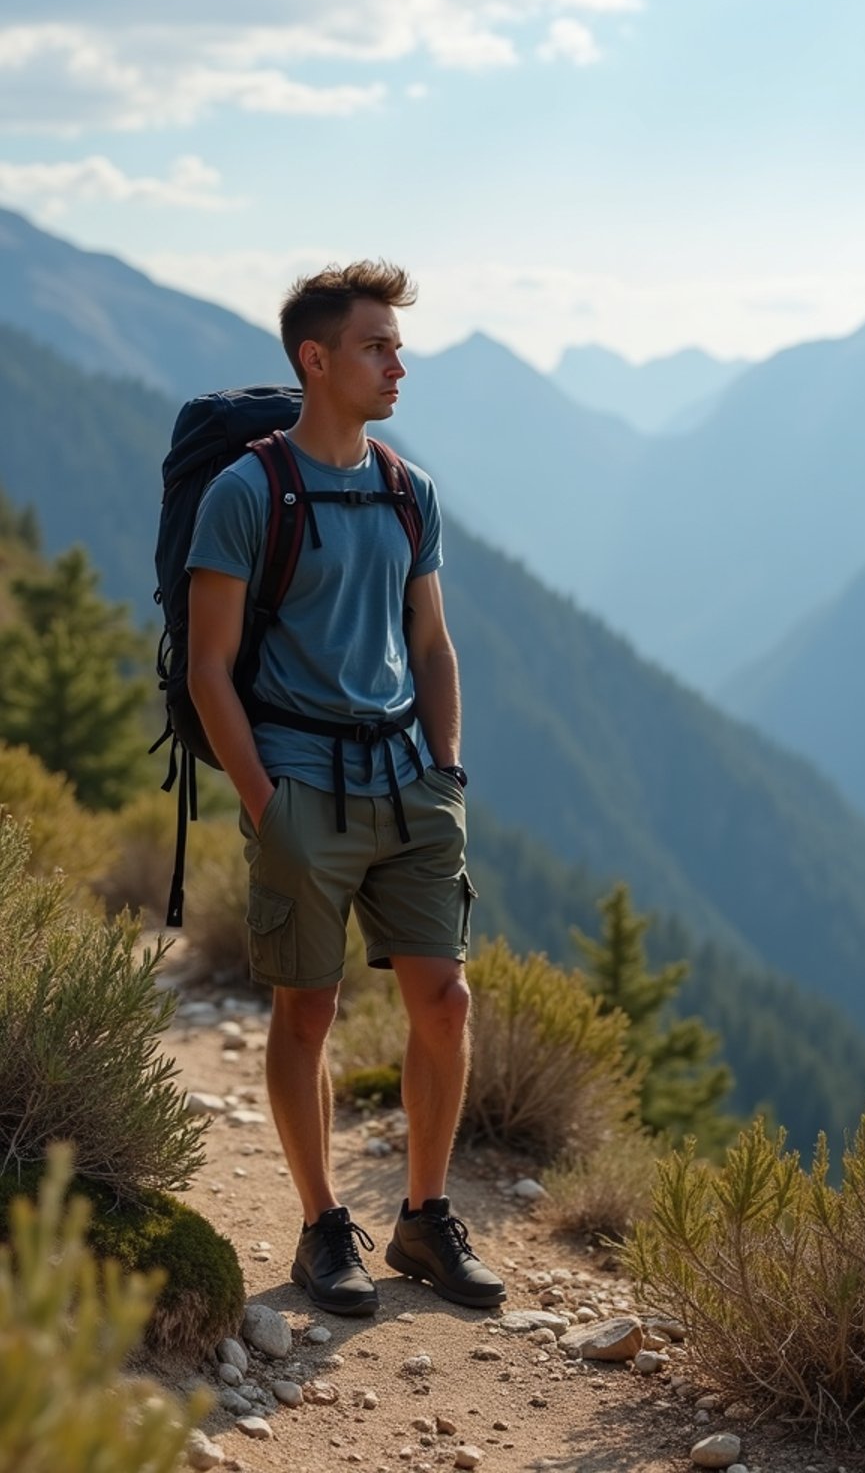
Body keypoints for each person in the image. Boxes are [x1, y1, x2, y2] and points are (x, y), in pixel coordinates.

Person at [186, 261, 505, 1315]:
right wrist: (267, 803)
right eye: (376, 345)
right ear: (315, 359)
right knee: (307, 1012)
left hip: (411, 778)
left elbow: (434, 645)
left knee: (444, 1001)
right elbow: (208, 667)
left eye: (397, 345)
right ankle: (324, 1229)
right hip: (301, 784)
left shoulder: (405, 490)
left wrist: (447, 770)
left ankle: (421, 1220)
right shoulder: (246, 493)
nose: (397, 364)